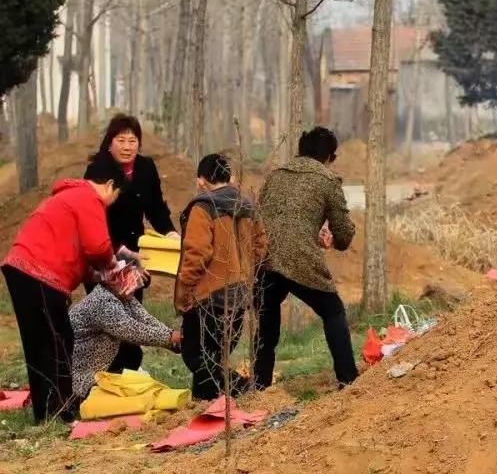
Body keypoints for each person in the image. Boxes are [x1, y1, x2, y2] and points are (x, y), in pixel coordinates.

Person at [1, 163, 125, 422]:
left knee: (43, 341)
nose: (112, 203)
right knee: (55, 341)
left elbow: (78, 254)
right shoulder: (89, 198)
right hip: (39, 272)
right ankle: (60, 410)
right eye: (115, 196)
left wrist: (98, 274)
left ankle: (48, 411)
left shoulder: (69, 197)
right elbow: (98, 247)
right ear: (110, 185)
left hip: (25, 268)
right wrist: (114, 267)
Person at [254, 127, 358, 390]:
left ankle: (259, 385)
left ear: (300, 150)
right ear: (330, 157)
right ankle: (348, 379)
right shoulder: (327, 180)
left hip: (265, 259)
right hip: (300, 259)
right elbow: (344, 233)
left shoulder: (275, 175)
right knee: (333, 311)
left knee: (267, 320)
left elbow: (265, 215)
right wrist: (334, 240)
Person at [84, 113, 179, 374]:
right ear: (109, 143)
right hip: (103, 253)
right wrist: (116, 260)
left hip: (135, 254)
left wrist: (170, 232)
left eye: (132, 140)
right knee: (109, 316)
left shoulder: (146, 168)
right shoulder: (97, 171)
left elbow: (156, 207)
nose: (127, 146)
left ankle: (128, 371)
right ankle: (104, 373)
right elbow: (93, 221)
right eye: (121, 140)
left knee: (132, 310)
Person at [175, 154, 266, 400]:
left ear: (201, 180)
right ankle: (205, 404)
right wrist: (246, 272)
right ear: (230, 177)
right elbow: (260, 247)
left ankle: (243, 387)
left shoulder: (203, 208)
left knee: (196, 355)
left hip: (208, 296)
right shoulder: (248, 206)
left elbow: (197, 254)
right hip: (239, 293)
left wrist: (185, 290)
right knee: (215, 355)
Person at [70, 262, 182, 399]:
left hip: (101, 362)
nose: (135, 281)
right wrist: (170, 337)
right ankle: (95, 395)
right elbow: (132, 330)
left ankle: (115, 389)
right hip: (84, 374)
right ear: (112, 280)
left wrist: (171, 338)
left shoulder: (121, 294)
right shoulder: (102, 301)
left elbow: (145, 319)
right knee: (130, 350)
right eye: (127, 275)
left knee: (132, 352)